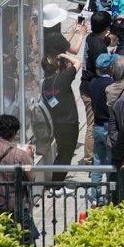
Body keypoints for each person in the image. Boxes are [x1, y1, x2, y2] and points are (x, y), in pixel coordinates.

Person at [0, 114, 38, 247]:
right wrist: (29, 158)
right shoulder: (20, 155)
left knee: (1, 245)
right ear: (14, 133)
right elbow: (31, 178)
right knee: (27, 245)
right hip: (17, 206)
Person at [79, 11, 113, 164]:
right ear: (106, 27)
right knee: (92, 124)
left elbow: (104, 41)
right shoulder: (98, 46)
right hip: (91, 89)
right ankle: (89, 159)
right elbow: (101, 68)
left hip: (87, 85)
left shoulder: (91, 38)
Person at [41, 50, 80, 180]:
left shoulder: (45, 83)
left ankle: (56, 182)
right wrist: (63, 55)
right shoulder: (63, 78)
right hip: (69, 123)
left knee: (62, 154)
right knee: (66, 155)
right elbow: (78, 62)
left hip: (57, 123)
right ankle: (57, 184)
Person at [88, 52, 118, 185]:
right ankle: (111, 192)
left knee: (97, 161)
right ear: (110, 67)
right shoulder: (111, 84)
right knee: (111, 163)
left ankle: (95, 193)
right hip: (108, 127)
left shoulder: (93, 83)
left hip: (97, 125)